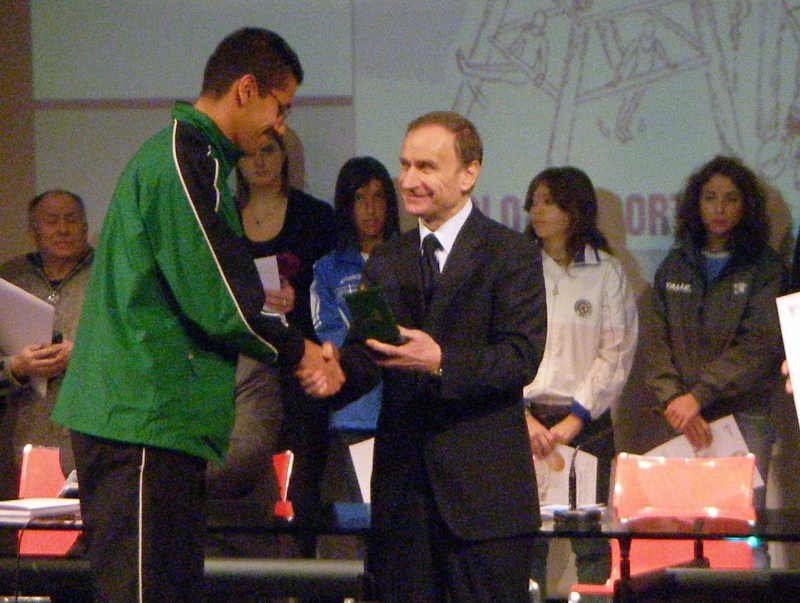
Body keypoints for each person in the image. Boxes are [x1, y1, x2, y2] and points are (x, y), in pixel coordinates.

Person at [51, 28, 343, 603]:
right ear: (245, 89)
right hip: (140, 420)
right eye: (280, 107)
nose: (279, 127)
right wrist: (302, 351)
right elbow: (221, 297)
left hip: (160, 423)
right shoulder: (184, 158)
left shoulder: (196, 158)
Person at [326, 111, 547, 601]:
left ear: (469, 174)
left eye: (426, 167)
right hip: (403, 504)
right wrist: (330, 369)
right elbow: (368, 354)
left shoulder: (511, 253)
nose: (408, 180)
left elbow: (520, 356)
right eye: (405, 165)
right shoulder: (388, 259)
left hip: (485, 504)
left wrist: (441, 361)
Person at [645, 155, 786, 519]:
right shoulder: (674, 265)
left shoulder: (765, 267)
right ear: (696, 204)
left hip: (744, 415)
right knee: (684, 526)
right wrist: (676, 400)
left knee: (742, 528)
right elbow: (656, 343)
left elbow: (761, 345)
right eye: (710, 198)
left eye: (730, 198)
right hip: (681, 416)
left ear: (746, 205)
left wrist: (699, 396)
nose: (719, 208)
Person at [522, 167, 638, 597]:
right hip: (525, 422)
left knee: (590, 542)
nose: (537, 211)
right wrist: (522, 416)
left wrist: (576, 417)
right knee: (526, 540)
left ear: (574, 210)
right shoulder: (519, 268)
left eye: (548, 202)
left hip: (586, 425)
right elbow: (501, 347)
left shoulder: (606, 272)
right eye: (533, 202)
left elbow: (616, 351)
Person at [0, 190, 92, 488]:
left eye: (71, 220)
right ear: (33, 231)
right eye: (52, 221)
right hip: (18, 436)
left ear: (85, 227)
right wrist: (16, 366)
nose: (63, 229)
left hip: (90, 437)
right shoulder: (9, 279)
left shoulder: (108, 276)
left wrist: (83, 355)